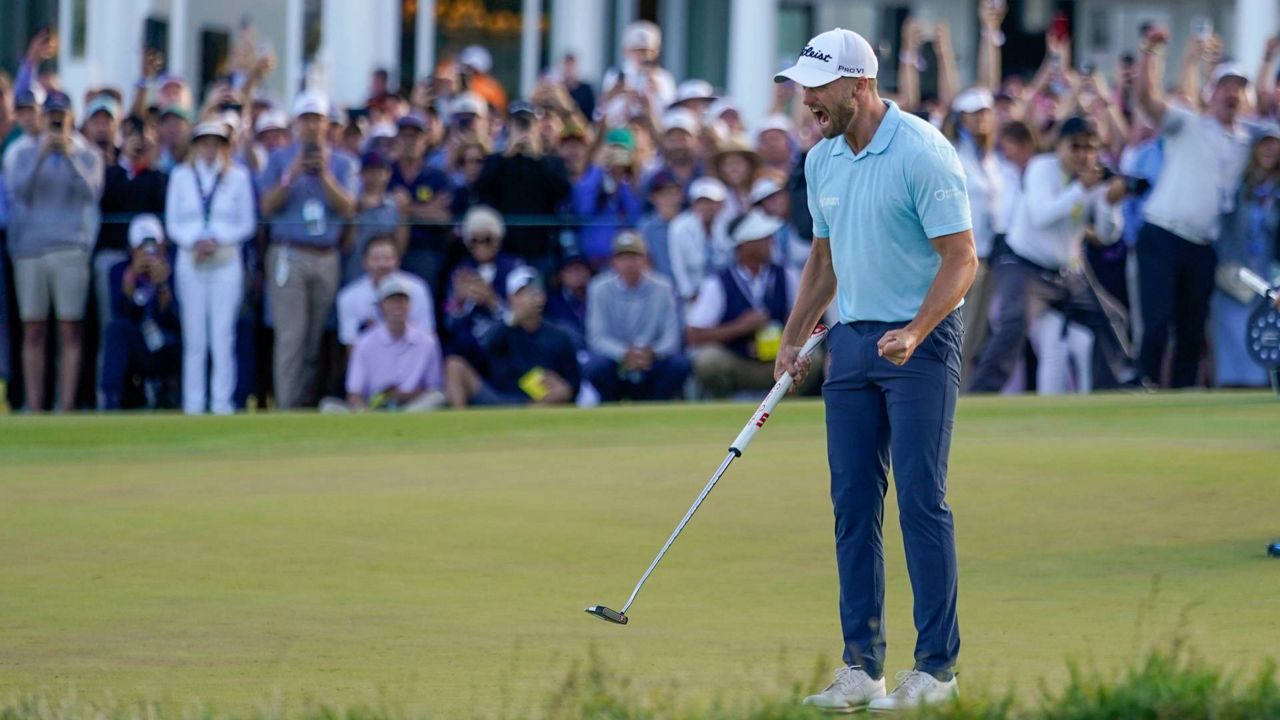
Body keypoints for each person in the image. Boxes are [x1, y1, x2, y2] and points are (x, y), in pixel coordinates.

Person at [770, 29, 977, 711]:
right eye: (802, 89)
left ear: (860, 84)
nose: (807, 102)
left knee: (921, 500)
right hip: (853, 345)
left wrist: (916, 330)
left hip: (923, 341)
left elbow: (961, 259)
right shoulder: (823, 160)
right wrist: (794, 336)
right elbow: (823, 261)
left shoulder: (922, 152)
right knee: (853, 506)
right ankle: (862, 666)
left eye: (818, 88)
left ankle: (938, 672)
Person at [968, 117, 1131, 393]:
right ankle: (981, 394)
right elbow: (1043, 215)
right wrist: (1082, 189)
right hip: (1024, 266)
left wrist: (1110, 205)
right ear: (1059, 146)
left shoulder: (1095, 178)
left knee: (1112, 318)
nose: (1083, 155)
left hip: (1066, 273)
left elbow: (1107, 236)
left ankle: (1113, 390)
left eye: (1090, 148)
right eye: (1075, 147)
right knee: (1014, 323)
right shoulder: (1042, 168)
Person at [1135, 27, 1259, 388]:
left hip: (1204, 246)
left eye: (1239, 87)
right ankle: (1145, 386)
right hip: (1162, 233)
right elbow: (1145, 99)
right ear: (1212, 91)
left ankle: (1182, 395)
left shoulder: (1248, 140)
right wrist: (1150, 52)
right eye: (1225, 86)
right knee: (1157, 323)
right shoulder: (1189, 122)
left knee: (1191, 331)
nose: (1232, 93)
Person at [4, 90, 105, 411]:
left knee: (69, 329)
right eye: (50, 115)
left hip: (69, 247)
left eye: (61, 115)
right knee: (33, 329)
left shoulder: (87, 152)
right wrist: (41, 156)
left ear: (72, 118)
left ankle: (66, 406)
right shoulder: (22, 152)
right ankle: (35, 405)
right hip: (30, 250)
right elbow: (19, 193)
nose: (56, 121)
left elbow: (91, 193)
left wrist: (70, 157)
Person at [259, 90, 358, 408]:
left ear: (327, 124)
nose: (312, 126)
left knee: (314, 341)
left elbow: (347, 207)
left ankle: (303, 404)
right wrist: (293, 174)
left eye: (317, 119)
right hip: (290, 253)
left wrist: (325, 175)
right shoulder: (279, 159)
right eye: (306, 119)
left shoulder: (342, 162)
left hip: (325, 256)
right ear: (296, 124)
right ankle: (287, 407)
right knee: (291, 338)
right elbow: (267, 206)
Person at [165, 121, 257, 415]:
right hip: (190, 261)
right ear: (195, 145)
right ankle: (193, 404)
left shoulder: (238, 177)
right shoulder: (180, 176)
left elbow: (247, 224)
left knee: (223, 335)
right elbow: (173, 223)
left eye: (216, 142)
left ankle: (221, 403)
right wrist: (195, 241)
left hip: (226, 261)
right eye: (204, 142)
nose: (210, 148)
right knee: (195, 337)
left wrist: (218, 240)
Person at [687, 210, 810, 398]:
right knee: (708, 360)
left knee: (811, 357)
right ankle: (725, 403)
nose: (771, 243)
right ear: (745, 245)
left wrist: (784, 341)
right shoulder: (718, 282)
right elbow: (695, 334)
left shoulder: (787, 275)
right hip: (737, 361)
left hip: (779, 360)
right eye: (764, 239)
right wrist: (740, 328)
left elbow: (804, 319)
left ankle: (787, 401)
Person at [444, 267, 580, 408]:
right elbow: (486, 347)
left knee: (562, 391)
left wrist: (558, 384)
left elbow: (574, 385)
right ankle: (460, 422)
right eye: (521, 293)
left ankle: (529, 413)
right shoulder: (502, 328)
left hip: (540, 400)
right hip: (499, 398)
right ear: (511, 299)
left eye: (532, 292)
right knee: (454, 365)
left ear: (542, 297)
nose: (529, 298)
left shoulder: (559, 334)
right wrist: (512, 319)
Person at [584, 231, 688, 402]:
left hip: (653, 360)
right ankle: (610, 408)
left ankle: (657, 406)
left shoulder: (663, 287)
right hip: (616, 361)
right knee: (596, 367)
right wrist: (623, 353)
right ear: (614, 262)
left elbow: (671, 336)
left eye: (634, 257)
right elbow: (597, 337)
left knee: (679, 365)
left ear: (645, 259)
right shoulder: (598, 288)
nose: (629, 264)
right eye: (623, 258)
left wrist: (652, 353)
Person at [1211, 131, 1280, 387]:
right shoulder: (1238, 186)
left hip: (1268, 272)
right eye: (1264, 144)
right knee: (1232, 332)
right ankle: (1230, 386)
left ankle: (1263, 385)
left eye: (1275, 144)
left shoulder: (1277, 192)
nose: (1269, 150)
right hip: (1235, 273)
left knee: (1267, 334)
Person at [946, 87, 1005, 387]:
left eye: (985, 113)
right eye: (974, 114)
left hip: (991, 254)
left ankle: (963, 387)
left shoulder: (992, 158)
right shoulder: (953, 152)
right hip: (964, 255)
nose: (981, 120)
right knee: (963, 329)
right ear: (961, 119)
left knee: (979, 332)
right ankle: (951, 388)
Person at [475, 104, 571, 278]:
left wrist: (538, 158)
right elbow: (481, 190)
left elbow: (562, 192)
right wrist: (508, 155)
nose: (523, 130)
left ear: (537, 128)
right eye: (518, 125)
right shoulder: (496, 160)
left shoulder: (551, 162)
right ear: (509, 127)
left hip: (540, 248)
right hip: (504, 249)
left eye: (528, 125)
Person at [99, 214, 181, 410]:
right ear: (130, 249)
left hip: (167, 344)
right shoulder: (119, 271)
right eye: (141, 247)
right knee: (115, 331)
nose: (147, 253)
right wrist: (131, 280)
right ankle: (111, 400)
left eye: (152, 246)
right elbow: (121, 314)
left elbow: (174, 319)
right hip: (138, 343)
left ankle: (174, 395)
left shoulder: (175, 269)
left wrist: (162, 286)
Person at [336, 278, 445, 413]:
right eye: (392, 301)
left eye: (402, 301)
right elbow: (354, 392)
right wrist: (370, 406)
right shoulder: (364, 342)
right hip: (374, 406)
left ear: (410, 305)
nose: (398, 306)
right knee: (329, 406)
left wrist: (405, 395)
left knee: (437, 398)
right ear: (381, 306)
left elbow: (433, 387)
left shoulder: (427, 342)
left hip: (413, 407)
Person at [443, 205, 522, 372]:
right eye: (474, 240)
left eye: (487, 239)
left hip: (506, 340)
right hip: (469, 343)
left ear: (498, 239)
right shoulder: (460, 270)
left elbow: (522, 316)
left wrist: (492, 302)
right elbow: (448, 319)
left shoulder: (515, 268)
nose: (481, 245)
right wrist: (459, 302)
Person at [388, 113, 452, 291]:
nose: (410, 141)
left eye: (415, 136)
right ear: (397, 139)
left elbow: (443, 218)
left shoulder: (437, 177)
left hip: (424, 249)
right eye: (404, 136)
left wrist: (408, 208)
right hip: (387, 248)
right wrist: (426, 210)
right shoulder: (386, 172)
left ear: (425, 140)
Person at [337, 234, 434, 349]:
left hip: (411, 357)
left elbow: (427, 335)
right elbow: (351, 344)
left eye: (388, 259)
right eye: (376, 259)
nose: (383, 265)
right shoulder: (348, 296)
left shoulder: (418, 289)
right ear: (364, 262)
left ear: (398, 261)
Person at [344, 150, 405, 284]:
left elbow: (400, 245)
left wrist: (403, 212)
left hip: (387, 270)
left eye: (380, 172)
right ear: (361, 174)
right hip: (356, 271)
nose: (375, 177)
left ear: (388, 174)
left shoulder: (395, 204)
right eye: (369, 172)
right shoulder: (351, 202)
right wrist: (357, 211)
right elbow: (346, 245)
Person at [668, 176, 731, 303]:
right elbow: (678, 266)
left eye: (712, 202)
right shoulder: (679, 226)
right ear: (693, 204)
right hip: (694, 295)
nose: (707, 206)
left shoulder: (730, 224)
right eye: (701, 202)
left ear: (721, 204)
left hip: (727, 292)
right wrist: (689, 294)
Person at [637, 169, 683, 284]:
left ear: (681, 195)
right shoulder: (645, 227)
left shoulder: (690, 223)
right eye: (662, 194)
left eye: (672, 193)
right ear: (652, 198)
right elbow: (645, 263)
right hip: (659, 288)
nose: (668, 199)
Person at [544, 253, 591, 350]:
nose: (576, 274)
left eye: (579, 268)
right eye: (570, 270)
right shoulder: (550, 301)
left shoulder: (597, 297)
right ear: (561, 275)